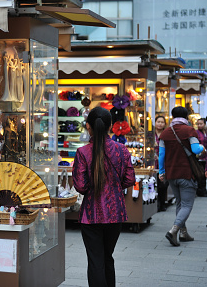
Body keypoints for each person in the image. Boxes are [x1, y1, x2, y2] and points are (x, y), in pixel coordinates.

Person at [72, 107, 135, 287]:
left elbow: (81, 186)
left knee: (95, 260)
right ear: (110, 126)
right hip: (115, 213)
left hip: (91, 215)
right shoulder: (122, 150)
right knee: (108, 257)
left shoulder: (83, 152)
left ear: (88, 126)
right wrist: (114, 187)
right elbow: (130, 179)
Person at [159, 106, 204, 246]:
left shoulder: (165, 133)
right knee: (186, 204)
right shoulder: (189, 130)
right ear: (186, 117)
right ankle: (174, 230)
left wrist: (161, 172)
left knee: (179, 203)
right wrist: (204, 147)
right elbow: (196, 149)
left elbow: (161, 155)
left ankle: (183, 233)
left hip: (171, 174)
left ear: (172, 116)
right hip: (186, 173)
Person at [154, 115, 169, 211]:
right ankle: (156, 204)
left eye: (162, 122)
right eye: (158, 122)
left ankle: (162, 204)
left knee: (163, 184)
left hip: (164, 161)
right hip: (153, 161)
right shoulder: (151, 134)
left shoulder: (166, 134)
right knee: (154, 183)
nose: (160, 124)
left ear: (164, 124)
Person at [196, 118, 207, 197]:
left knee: (205, 174)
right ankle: (201, 191)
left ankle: (203, 190)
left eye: (201, 124)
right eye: (198, 124)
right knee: (200, 174)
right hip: (198, 156)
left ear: (205, 124)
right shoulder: (196, 133)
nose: (199, 125)